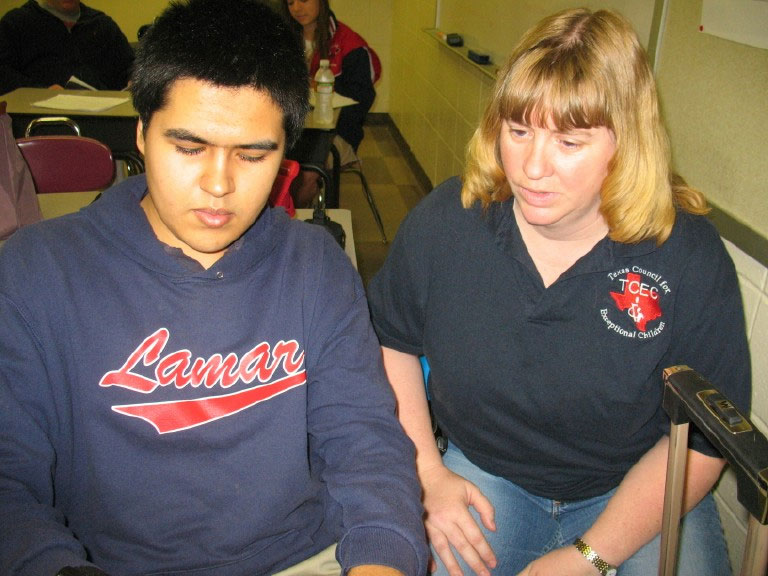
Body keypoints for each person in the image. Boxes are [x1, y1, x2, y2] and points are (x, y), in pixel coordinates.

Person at [0, 1, 428, 575]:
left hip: (304, 557)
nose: (219, 185)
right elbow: (10, 481)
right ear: (142, 135)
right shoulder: (36, 273)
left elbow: (364, 440)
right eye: (189, 148)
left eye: (253, 155)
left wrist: (382, 558)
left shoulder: (315, 266)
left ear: (286, 156)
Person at [367, 8, 750, 576]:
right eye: (518, 131)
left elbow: (702, 443)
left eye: (570, 141)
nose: (532, 166)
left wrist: (590, 557)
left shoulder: (688, 257)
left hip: (633, 492)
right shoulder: (449, 222)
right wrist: (427, 474)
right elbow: (390, 341)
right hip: (488, 477)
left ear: (626, 143)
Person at [280, 0, 381, 207]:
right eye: (290, 3)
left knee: (306, 175)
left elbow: (362, 98)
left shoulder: (349, 44)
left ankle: (294, 224)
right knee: (266, 163)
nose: (297, 8)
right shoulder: (283, 40)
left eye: (304, 0)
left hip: (335, 132)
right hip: (294, 129)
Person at [0, 0, 134, 95]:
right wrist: (39, 91)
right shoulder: (17, 24)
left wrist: (134, 82)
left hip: (102, 120)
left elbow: (131, 67)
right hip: (40, 121)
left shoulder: (102, 25)